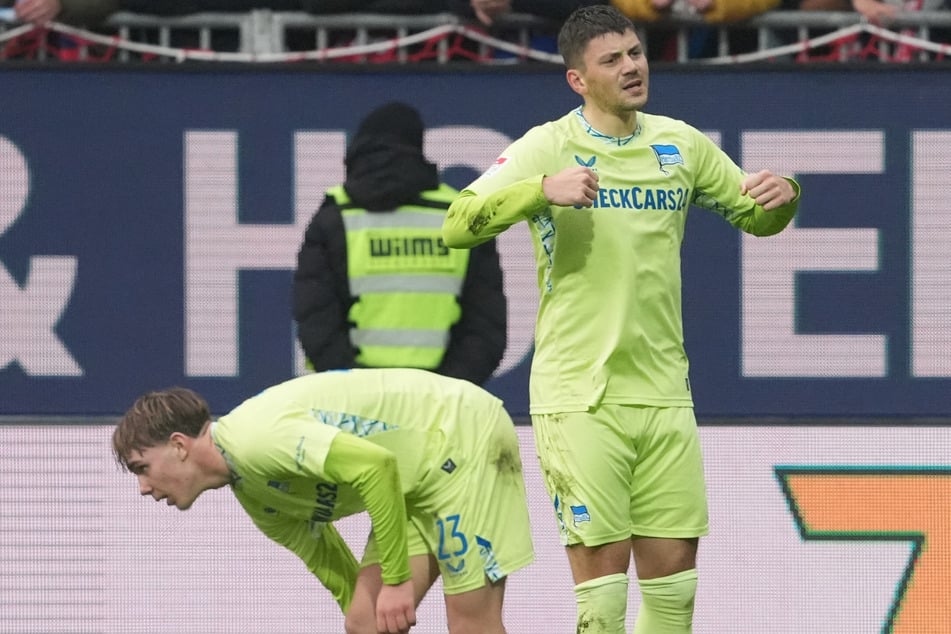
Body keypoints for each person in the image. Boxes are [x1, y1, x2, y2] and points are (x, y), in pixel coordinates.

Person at [441, 5, 800, 633]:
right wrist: (537, 191)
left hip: (663, 394)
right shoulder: (549, 145)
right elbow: (455, 225)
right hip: (580, 396)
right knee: (603, 601)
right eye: (612, 60)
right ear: (578, 79)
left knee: (674, 595)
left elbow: (756, 215)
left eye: (635, 53)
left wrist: (785, 196)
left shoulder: (679, 143)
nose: (633, 67)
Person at [111, 368, 534, 634]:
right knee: (365, 622)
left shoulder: (257, 440)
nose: (143, 488)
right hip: (415, 478)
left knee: (470, 623)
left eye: (141, 468)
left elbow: (375, 469)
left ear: (179, 445)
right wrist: (386, 594)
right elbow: (342, 582)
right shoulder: (259, 501)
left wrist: (397, 579)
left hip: (459, 436)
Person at [294, 101, 506, 387]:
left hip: (354, 400)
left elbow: (315, 318)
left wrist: (354, 386)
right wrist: (444, 389)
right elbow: (485, 325)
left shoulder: (336, 217)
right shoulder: (459, 214)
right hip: (438, 404)